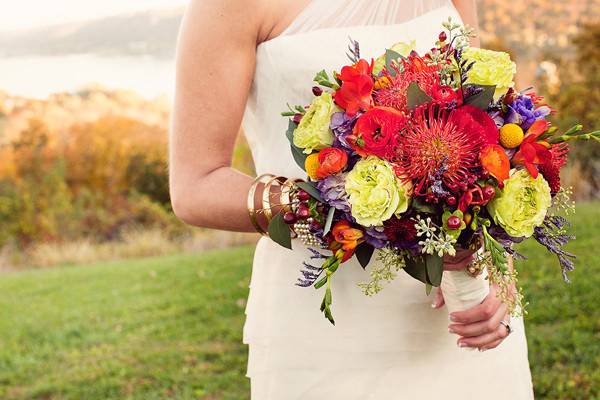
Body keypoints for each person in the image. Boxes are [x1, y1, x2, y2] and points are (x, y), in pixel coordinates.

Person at [169, 0, 534, 398]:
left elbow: (483, 125)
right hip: (332, 332)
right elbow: (195, 186)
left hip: (465, 316)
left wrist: (496, 266)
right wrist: (355, 205)